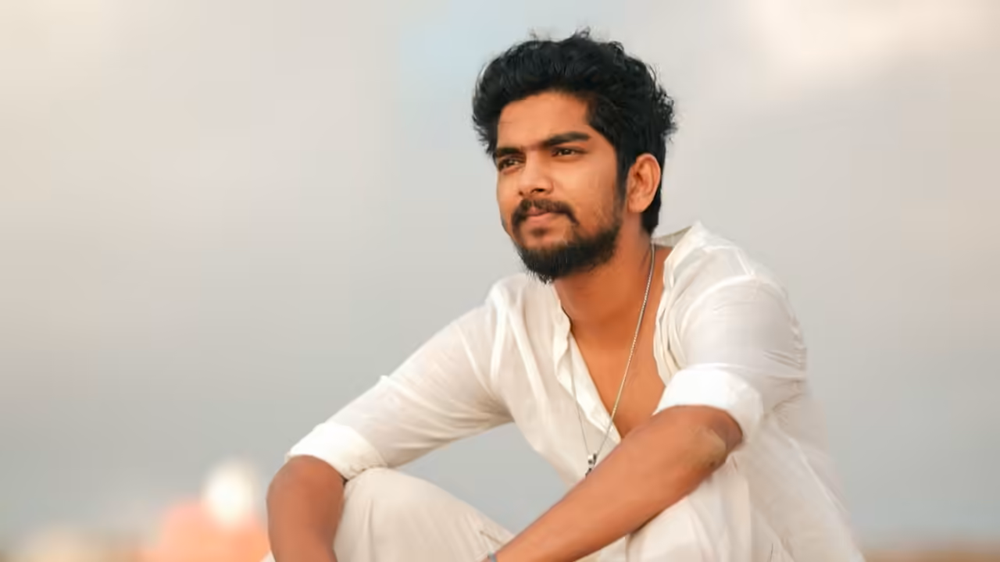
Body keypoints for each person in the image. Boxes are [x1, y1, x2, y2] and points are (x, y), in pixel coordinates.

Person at [264, 30, 863, 562]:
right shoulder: (510, 328)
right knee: (366, 505)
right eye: (510, 161)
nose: (530, 180)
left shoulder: (728, 290)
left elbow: (695, 440)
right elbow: (313, 466)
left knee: (687, 493)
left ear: (639, 181)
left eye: (564, 152)